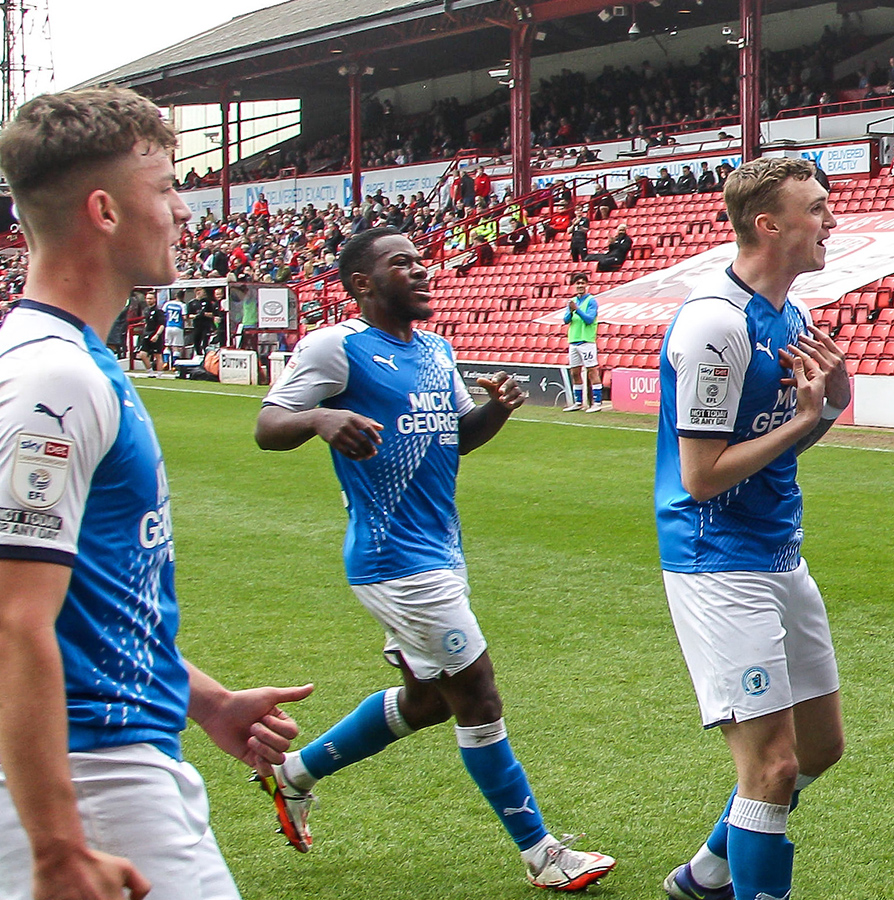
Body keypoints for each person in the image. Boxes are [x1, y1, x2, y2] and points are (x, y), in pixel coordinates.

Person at [0, 84, 310, 900]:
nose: (182, 209)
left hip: (111, 755)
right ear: (103, 210)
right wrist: (60, 844)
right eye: (167, 186)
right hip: (95, 776)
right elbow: (14, 615)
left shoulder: (64, 361)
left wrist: (203, 699)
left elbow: (93, 597)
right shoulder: (54, 378)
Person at [254, 226, 616, 891]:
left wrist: (496, 410)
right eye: (402, 264)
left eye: (421, 261)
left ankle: (296, 772)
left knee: (428, 703)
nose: (421, 271)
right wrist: (318, 421)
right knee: (478, 692)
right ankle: (543, 855)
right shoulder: (337, 348)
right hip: (396, 561)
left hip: (439, 553)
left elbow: (456, 439)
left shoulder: (433, 350)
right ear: (363, 283)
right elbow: (267, 423)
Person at [656, 157, 850, 900]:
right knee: (769, 769)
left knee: (819, 749)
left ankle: (707, 873)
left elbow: (784, 440)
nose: (831, 219)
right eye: (817, 208)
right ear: (769, 225)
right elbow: (702, 475)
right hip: (716, 557)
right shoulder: (716, 324)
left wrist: (827, 406)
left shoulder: (789, 316)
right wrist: (804, 417)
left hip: (778, 550)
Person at [563, 273, 602, 412]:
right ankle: (578, 402)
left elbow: (589, 319)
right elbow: (566, 320)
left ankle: (597, 402)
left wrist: (577, 310)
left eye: (582, 283)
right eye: (577, 283)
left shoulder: (591, 301)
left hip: (587, 341)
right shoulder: (573, 301)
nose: (580, 286)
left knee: (592, 371)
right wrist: (570, 310)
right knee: (575, 372)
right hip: (573, 340)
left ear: (586, 285)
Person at [160, 289, 186, 365]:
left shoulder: (167, 304)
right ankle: (175, 364)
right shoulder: (182, 305)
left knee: (167, 345)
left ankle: (165, 362)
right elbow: (184, 317)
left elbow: (163, 314)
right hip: (178, 327)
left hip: (168, 326)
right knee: (176, 347)